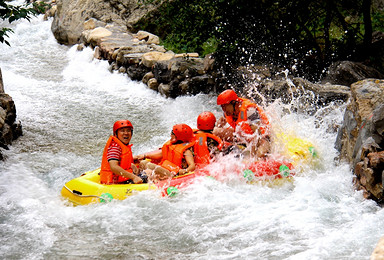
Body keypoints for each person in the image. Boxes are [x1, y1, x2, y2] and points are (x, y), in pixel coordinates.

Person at [213, 89, 271, 159]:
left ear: (234, 103)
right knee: (216, 131)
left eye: (225, 106)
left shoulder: (249, 111)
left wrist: (252, 157)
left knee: (260, 153)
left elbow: (257, 134)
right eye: (222, 106)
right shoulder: (228, 112)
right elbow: (216, 130)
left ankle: (254, 161)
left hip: (262, 138)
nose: (223, 109)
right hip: (243, 136)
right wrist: (218, 126)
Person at [100, 120, 146, 184]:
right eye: (122, 131)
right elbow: (113, 167)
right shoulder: (115, 147)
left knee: (144, 165)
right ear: (116, 134)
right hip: (115, 182)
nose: (126, 133)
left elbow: (122, 161)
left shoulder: (121, 146)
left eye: (128, 131)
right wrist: (134, 177)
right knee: (149, 173)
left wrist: (132, 160)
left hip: (123, 179)